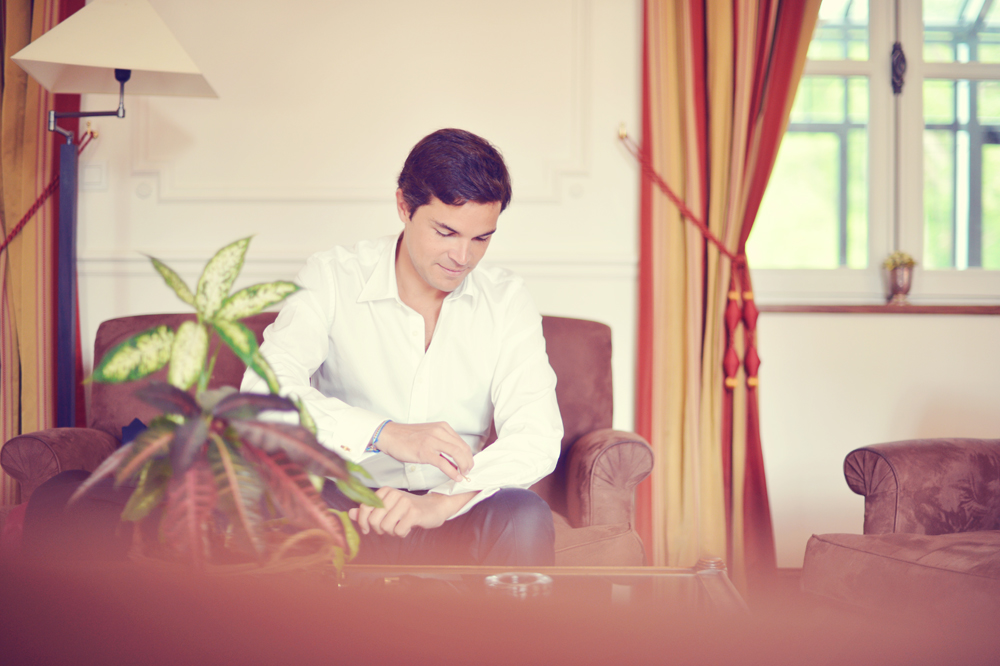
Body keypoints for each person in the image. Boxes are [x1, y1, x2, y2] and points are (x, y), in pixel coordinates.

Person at [241, 128, 563, 566]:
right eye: (446, 232)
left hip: (452, 509)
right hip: (345, 505)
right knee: (274, 494)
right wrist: (384, 434)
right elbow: (262, 395)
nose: (463, 257)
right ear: (404, 207)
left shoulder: (507, 299)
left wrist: (439, 503)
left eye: (481, 238)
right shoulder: (332, 277)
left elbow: (537, 435)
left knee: (523, 514)